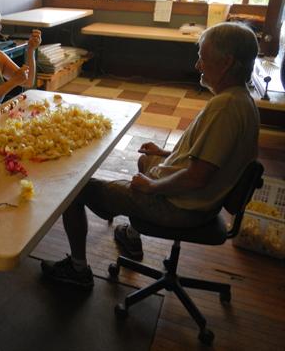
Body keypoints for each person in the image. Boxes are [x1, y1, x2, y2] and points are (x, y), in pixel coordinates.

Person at [41, 22, 260, 289]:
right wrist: (164, 152)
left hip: (181, 206)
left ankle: (78, 269)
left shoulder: (224, 108)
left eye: (202, 58)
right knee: (146, 159)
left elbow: (197, 176)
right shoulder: (244, 101)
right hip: (199, 198)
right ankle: (132, 234)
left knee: (74, 191)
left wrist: (152, 186)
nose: (197, 66)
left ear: (226, 63)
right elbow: (212, 157)